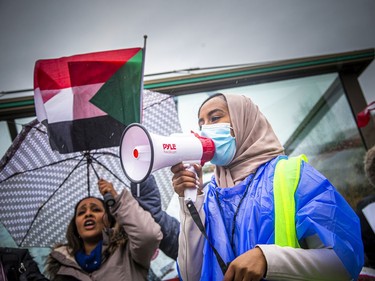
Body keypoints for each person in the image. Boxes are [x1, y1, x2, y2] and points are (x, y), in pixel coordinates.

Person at [171, 93, 364, 281]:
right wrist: (190, 202)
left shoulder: (292, 175)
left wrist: (268, 260)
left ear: (243, 121)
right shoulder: (208, 196)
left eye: (214, 118)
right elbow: (190, 275)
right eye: (201, 123)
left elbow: (344, 263)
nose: (205, 130)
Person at [45, 178, 162, 281]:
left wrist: (117, 200)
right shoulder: (62, 265)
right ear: (75, 226)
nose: (88, 214)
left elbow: (148, 235)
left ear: (109, 220)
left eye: (96, 210)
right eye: (81, 212)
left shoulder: (128, 251)